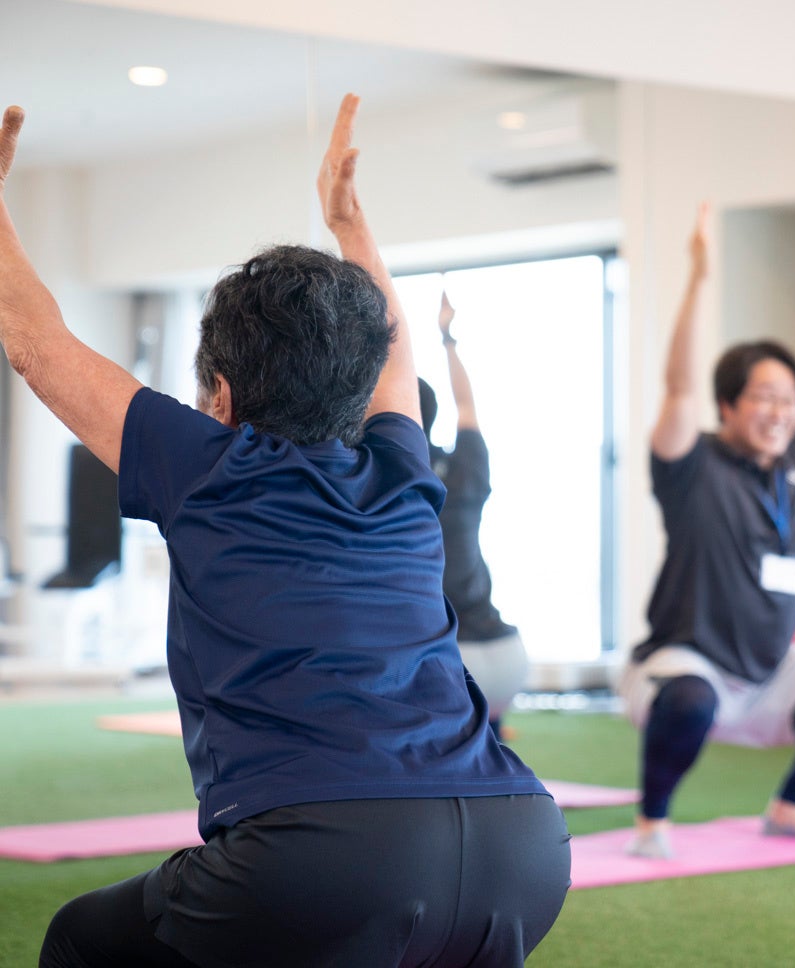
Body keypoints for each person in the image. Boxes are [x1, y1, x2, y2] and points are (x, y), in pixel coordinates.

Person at [2, 96, 570, 968]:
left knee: (83, 941)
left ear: (220, 396)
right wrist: (351, 226)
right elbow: (397, 351)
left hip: (325, 857)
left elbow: (36, 342)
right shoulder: (399, 471)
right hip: (521, 846)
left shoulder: (209, 464)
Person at [619, 204, 795, 858]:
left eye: (790, 400)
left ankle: (790, 808)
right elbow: (676, 384)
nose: (780, 413)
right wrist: (698, 280)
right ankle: (651, 824)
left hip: (770, 671)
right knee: (690, 701)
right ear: (727, 405)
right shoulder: (689, 464)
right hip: (685, 667)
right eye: (763, 398)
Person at [419, 292, 528, 742]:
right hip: (508, 655)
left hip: (453, 660)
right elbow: (467, 406)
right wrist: (448, 339)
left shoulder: (383, 478)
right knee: (487, 745)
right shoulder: (465, 466)